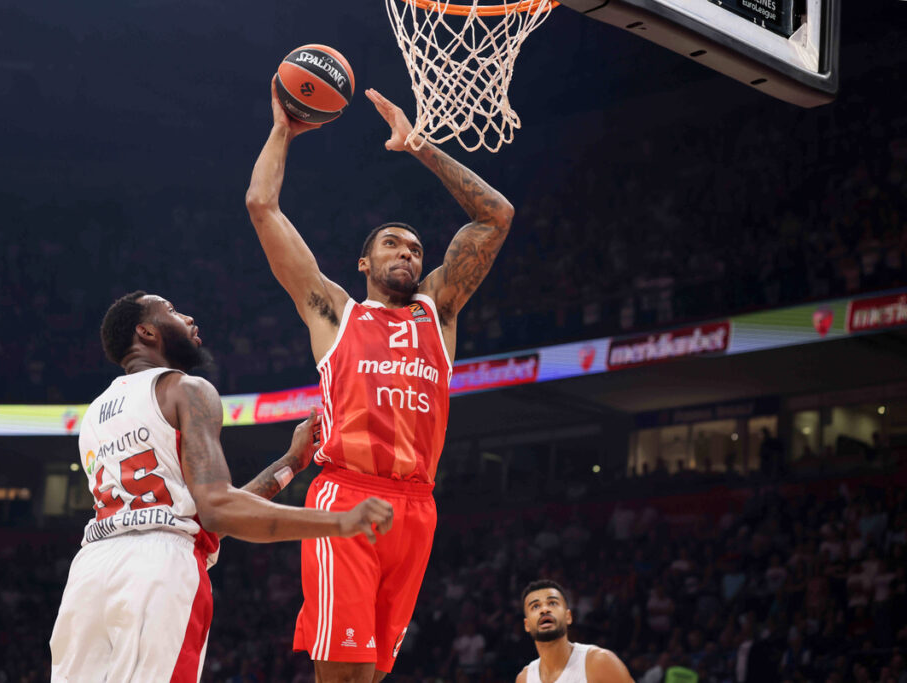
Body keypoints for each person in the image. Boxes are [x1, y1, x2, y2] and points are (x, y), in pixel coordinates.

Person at [245, 82, 514, 682]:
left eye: (416, 249)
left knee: (373, 674)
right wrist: (283, 130)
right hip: (348, 492)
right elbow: (263, 208)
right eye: (391, 245)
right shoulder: (335, 312)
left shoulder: (437, 312)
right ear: (364, 263)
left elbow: (497, 216)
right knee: (342, 672)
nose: (408, 254)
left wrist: (417, 144)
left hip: (418, 506)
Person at [49, 291, 394, 682]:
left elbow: (205, 515)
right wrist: (340, 523)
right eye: (173, 311)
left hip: (90, 572)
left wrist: (291, 463)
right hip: (158, 569)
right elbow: (216, 510)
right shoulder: (187, 389)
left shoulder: (94, 413)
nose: (189, 317)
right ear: (146, 332)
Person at [517, 580, 634, 683]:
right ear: (527, 625)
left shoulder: (599, 662)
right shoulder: (525, 678)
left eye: (552, 603)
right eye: (535, 606)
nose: (544, 609)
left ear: (568, 616)